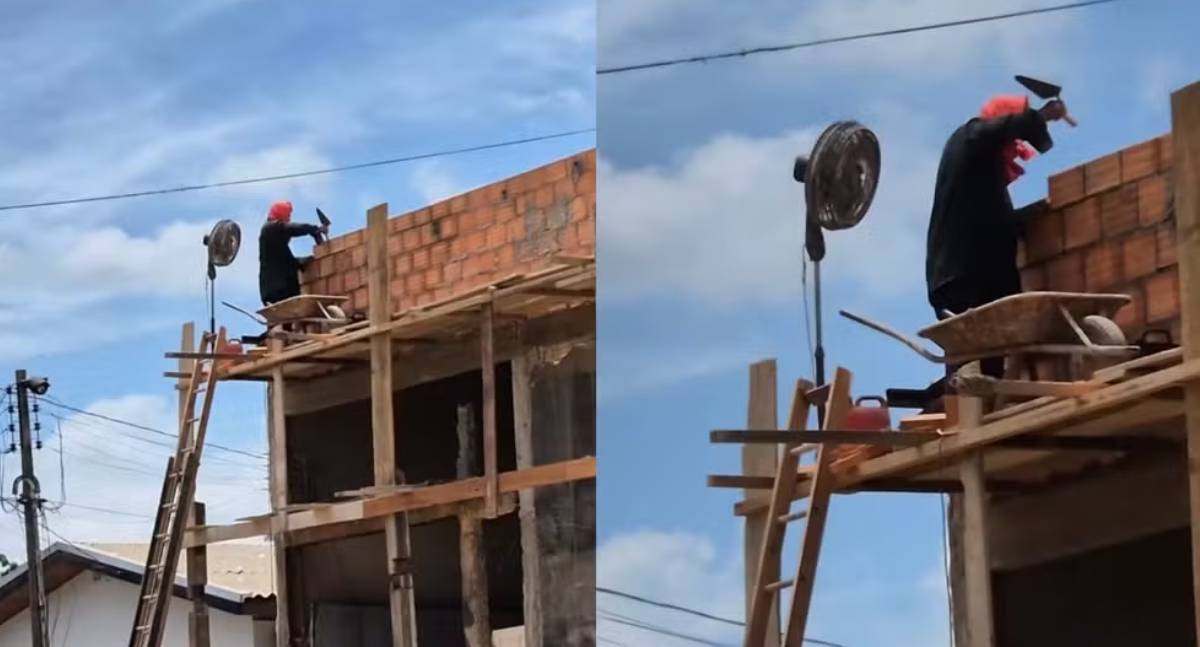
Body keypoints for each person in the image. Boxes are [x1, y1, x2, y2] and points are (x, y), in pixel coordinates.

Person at [925, 94, 1068, 380]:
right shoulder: (969, 138)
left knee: (989, 370)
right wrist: (1042, 115)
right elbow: (1004, 127)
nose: (1013, 154)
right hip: (961, 281)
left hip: (984, 284)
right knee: (971, 368)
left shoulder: (984, 178)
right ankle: (967, 409)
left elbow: (990, 222)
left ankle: (989, 405)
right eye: (1012, 146)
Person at [258, 200, 328, 306]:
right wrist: (314, 229)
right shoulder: (270, 228)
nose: (289, 219)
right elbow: (292, 228)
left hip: (278, 291)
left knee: (290, 318)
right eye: (288, 215)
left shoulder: (275, 243)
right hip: (278, 291)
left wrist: (301, 262)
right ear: (281, 214)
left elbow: (284, 261)